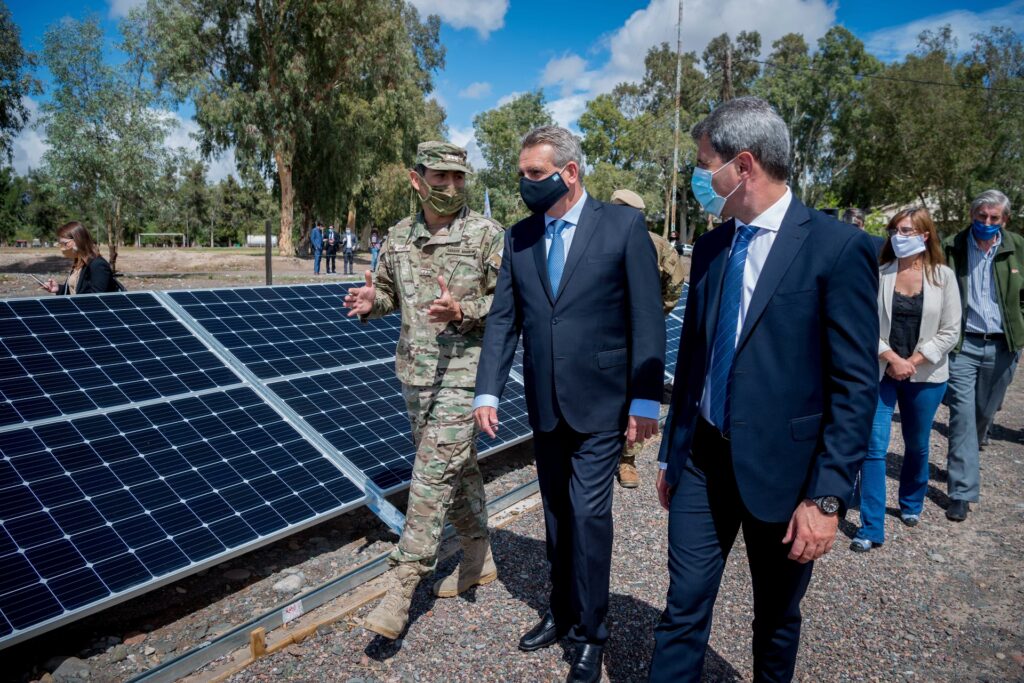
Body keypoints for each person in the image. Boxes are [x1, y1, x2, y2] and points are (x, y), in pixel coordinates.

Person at [651, 97, 879, 683]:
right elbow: (697, 359)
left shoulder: (836, 247)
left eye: (705, 165)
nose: (700, 178)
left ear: (743, 165)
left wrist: (827, 497)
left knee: (776, 617)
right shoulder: (710, 247)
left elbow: (855, 385)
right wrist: (672, 454)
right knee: (683, 606)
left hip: (787, 475)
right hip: (702, 462)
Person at [474, 126, 664, 683]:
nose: (526, 184)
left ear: (570, 172)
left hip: (603, 404)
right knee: (556, 514)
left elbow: (646, 319)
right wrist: (489, 389)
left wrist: (646, 398)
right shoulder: (520, 237)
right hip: (546, 404)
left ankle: (590, 633)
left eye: (536, 173)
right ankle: (559, 613)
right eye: (522, 174)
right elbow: (505, 318)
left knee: (589, 514)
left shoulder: (622, 226)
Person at [343, 141, 504, 641]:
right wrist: (374, 301)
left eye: (459, 179)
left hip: (465, 375)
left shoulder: (486, 235)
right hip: (415, 375)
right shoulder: (396, 238)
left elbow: (509, 309)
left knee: (431, 476)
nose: (451, 188)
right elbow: (391, 293)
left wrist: (463, 312)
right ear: (417, 180)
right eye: (440, 179)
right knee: (458, 467)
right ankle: (477, 556)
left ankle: (402, 583)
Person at [850, 208, 961, 552]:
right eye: (895, 229)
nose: (899, 235)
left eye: (907, 230)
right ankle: (871, 526)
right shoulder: (879, 274)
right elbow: (863, 325)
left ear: (925, 236)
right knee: (873, 446)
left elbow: (950, 331)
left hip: (925, 376)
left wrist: (912, 361)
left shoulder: (943, 277)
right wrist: (891, 358)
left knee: (917, 444)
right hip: (882, 372)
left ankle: (911, 502)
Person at [942, 189, 1024, 522]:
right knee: (961, 415)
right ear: (972, 215)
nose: (986, 223)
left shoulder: (1017, 246)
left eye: (994, 218)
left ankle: (971, 449)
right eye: (981, 217)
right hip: (964, 344)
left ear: (1004, 220)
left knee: (984, 411)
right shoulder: (953, 245)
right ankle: (961, 491)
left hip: (1003, 345)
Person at [609, 188, 685, 488]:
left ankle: (627, 459)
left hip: (636, 335)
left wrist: (652, 315)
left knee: (635, 393)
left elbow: (675, 283)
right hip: (599, 335)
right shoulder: (593, 240)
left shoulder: (657, 245)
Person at [40, 221, 117, 295]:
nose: (62, 248)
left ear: (78, 240)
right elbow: (75, 291)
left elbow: (97, 299)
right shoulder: (78, 262)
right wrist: (58, 288)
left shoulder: (98, 265)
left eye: (65, 244)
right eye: (60, 244)